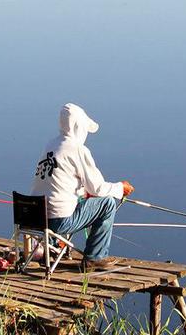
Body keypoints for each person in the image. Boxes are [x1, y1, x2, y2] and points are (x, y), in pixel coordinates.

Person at [31, 103, 134, 270]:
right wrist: (120, 189)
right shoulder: (77, 149)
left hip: (35, 219)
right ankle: (95, 257)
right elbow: (97, 188)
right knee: (107, 203)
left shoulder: (51, 145)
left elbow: (60, 182)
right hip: (59, 221)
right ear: (79, 127)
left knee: (70, 201)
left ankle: (49, 250)